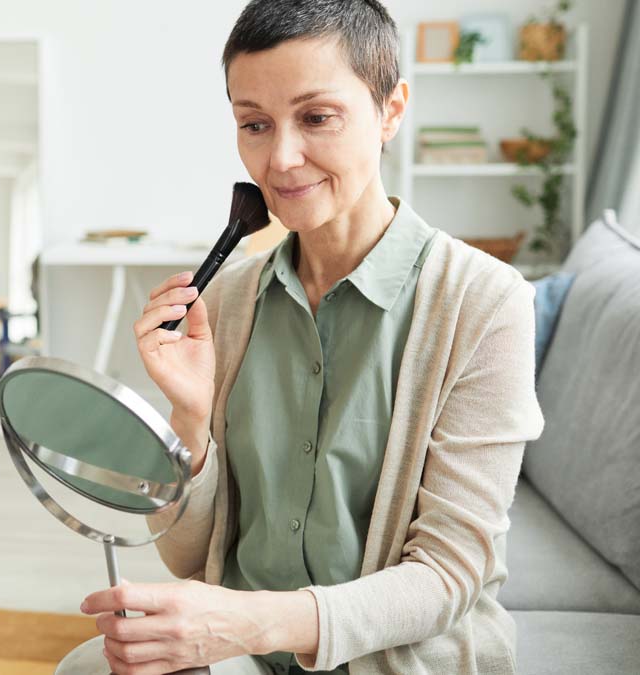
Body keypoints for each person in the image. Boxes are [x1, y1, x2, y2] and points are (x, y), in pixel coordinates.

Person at [79, 1, 545, 673]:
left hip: (393, 658)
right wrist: (191, 419)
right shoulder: (229, 302)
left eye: (317, 117)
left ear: (390, 110)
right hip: (240, 648)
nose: (282, 157)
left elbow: (447, 576)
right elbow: (188, 556)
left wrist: (237, 623)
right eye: (255, 124)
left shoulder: (485, 303)